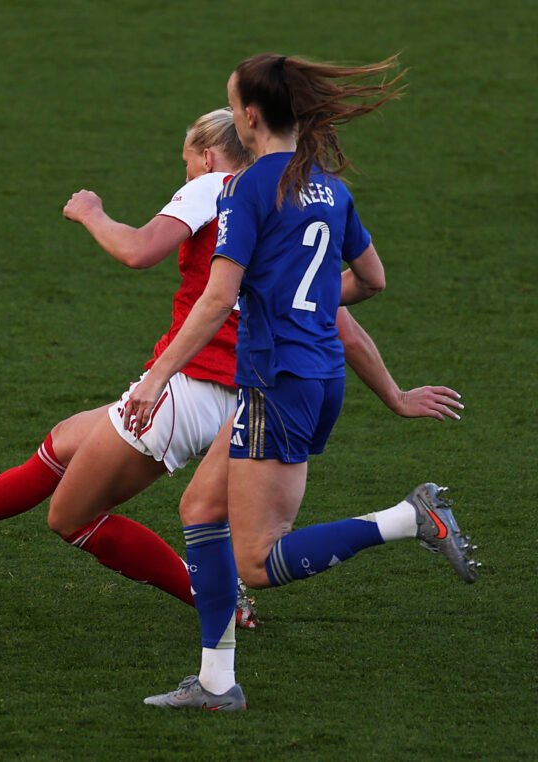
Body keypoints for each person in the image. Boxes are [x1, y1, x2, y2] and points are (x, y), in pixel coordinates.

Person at [0, 108, 463, 627]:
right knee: (67, 439)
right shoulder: (288, 204)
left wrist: (92, 213)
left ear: (206, 156)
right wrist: (396, 395)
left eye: (184, 163)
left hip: (188, 390)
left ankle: (214, 602)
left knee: (70, 517)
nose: (185, 175)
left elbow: (139, 250)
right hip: (252, 400)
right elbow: (339, 317)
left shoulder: (217, 188)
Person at [128, 54, 479, 712]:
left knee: (258, 560)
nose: (232, 115)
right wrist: (304, 299)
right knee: (199, 510)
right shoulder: (330, 188)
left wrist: (155, 379)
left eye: (233, 106)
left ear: (251, 118)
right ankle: (215, 683)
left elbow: (216, 298)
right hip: (316, 376)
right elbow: (372, 280)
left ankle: (410, 519)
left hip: (277, 383)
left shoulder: (247, 190)